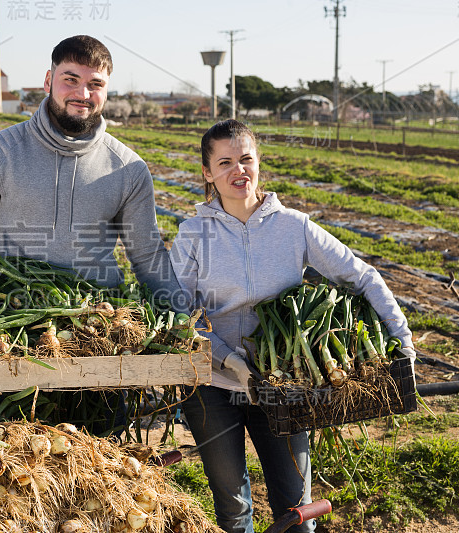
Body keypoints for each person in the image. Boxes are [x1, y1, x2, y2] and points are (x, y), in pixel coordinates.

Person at [169, 119, 414, 533]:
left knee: (297, 511)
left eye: (246, 159)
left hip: (283, 383)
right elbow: (180, 316)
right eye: (225, 162)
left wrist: (400, 338)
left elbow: (362, 276)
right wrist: (229, 361)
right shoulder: (194, 234)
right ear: (207, 174)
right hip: (211, 383)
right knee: (232, 509)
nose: (238, 171)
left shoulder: (293, 226)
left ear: (259, 162)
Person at [0, 35, 181, 434]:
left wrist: (179, 314)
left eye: (95, 84)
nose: (82, 93)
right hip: (11, 330)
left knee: (102, 465)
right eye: (71, 79)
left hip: (98, 334)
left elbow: (148, 253)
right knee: (12, 467)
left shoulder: (128, 168)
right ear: (48, 79)